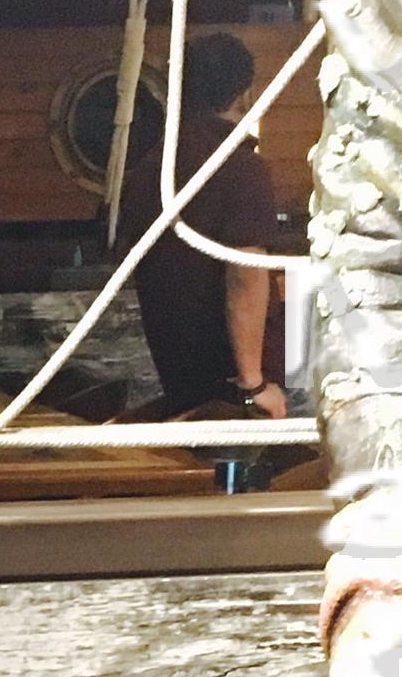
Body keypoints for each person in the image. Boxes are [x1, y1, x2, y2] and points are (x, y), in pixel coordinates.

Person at [118, 32, 288, 419]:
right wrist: (253, 385)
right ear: (245, 94)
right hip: (233, 385)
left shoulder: (150, 168)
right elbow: (244, 275)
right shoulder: (240, 168)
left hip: (181, 374)